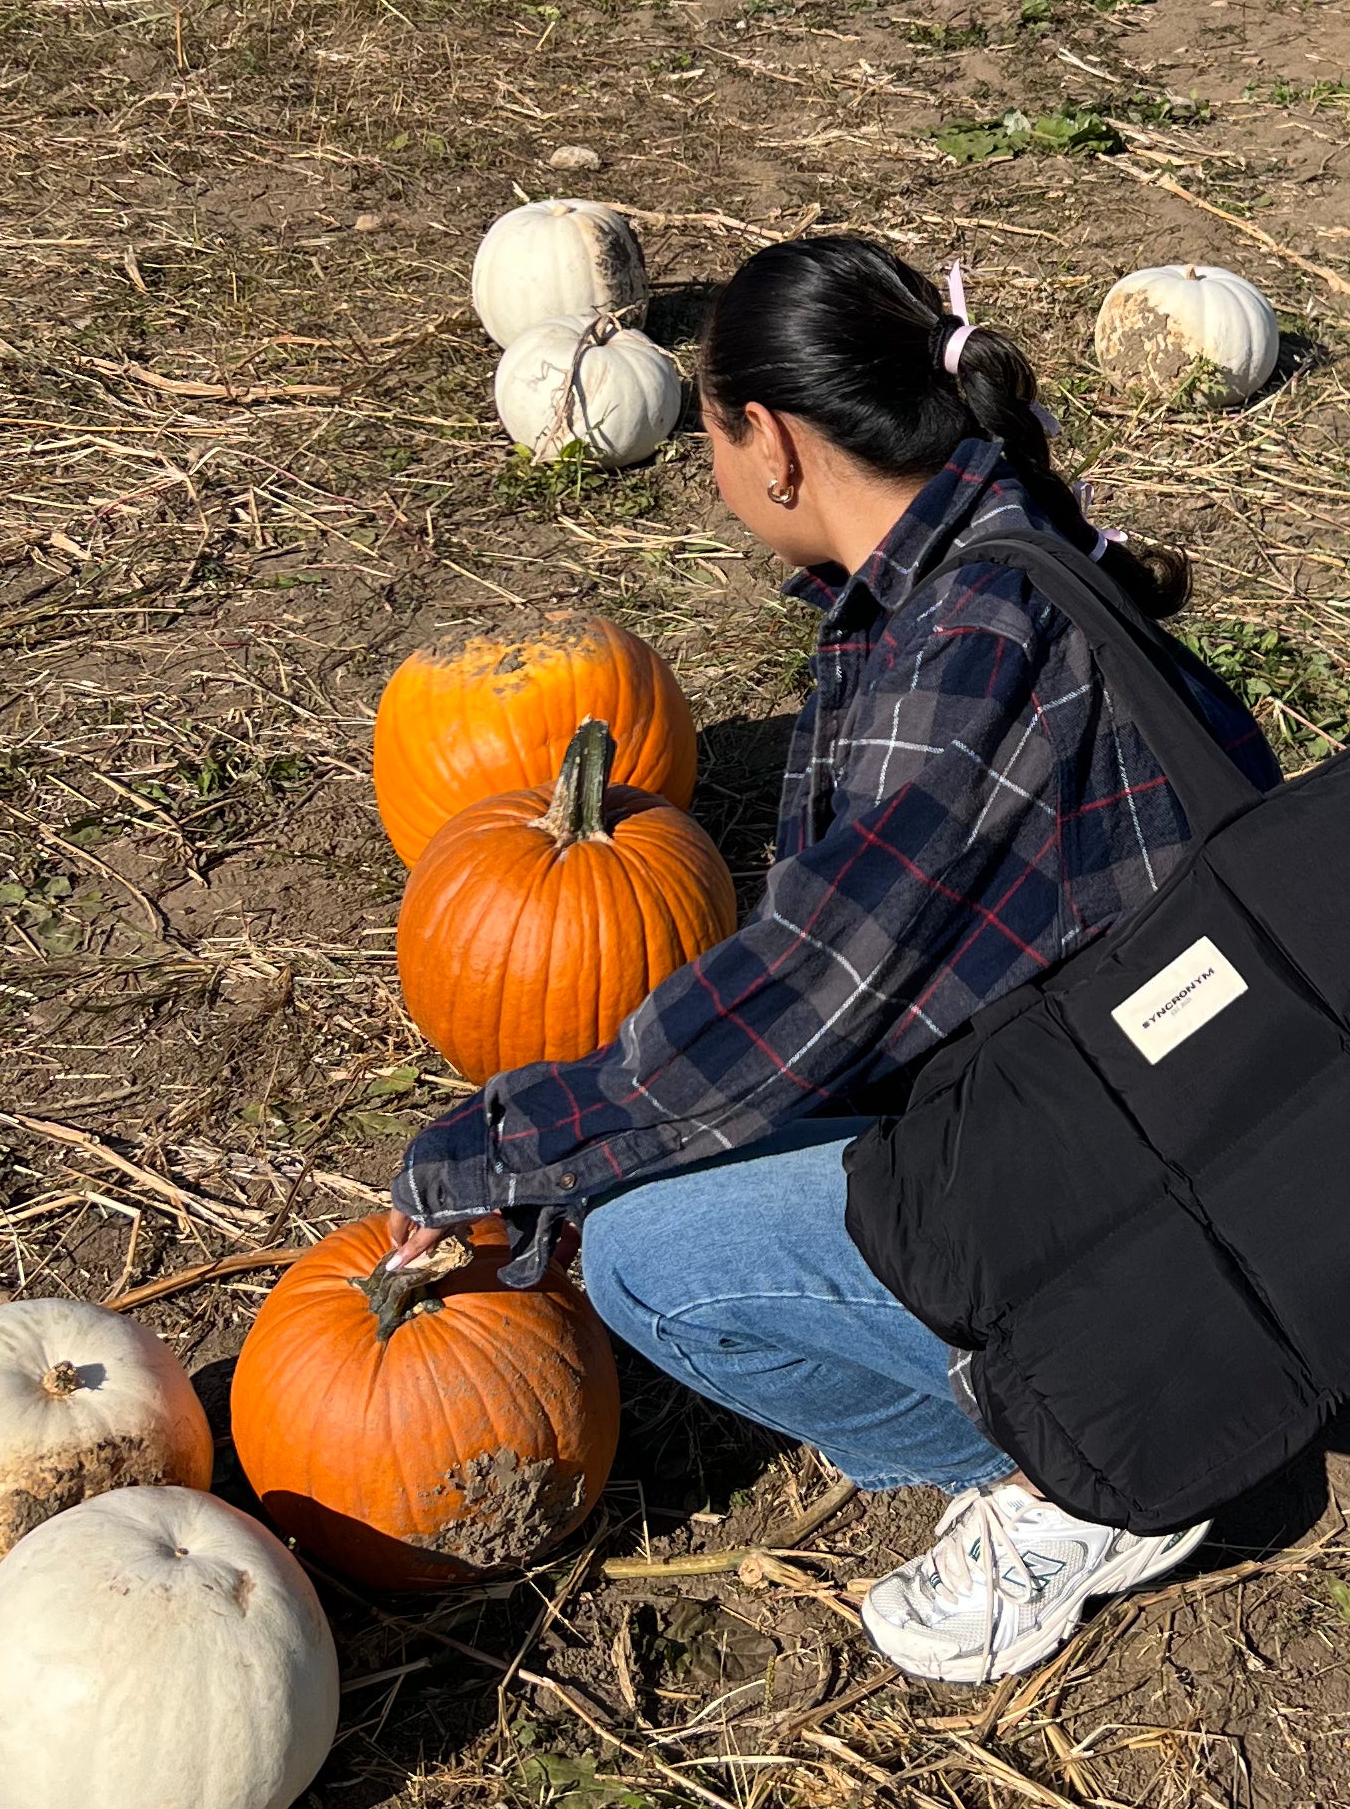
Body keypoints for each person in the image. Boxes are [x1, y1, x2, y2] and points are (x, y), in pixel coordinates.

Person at [386, 232, 1279, 1684]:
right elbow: (847, 991)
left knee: (647, 1264)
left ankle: (1081, 1465)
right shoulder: (997, 550)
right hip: (1159, 1089)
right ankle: (1085, 1383)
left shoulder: (962, 646)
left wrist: (504, 1149)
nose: (715, 480)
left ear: (779, 447)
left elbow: (804, 1007)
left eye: (716, 445)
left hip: (1159, 1188)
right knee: (676, 1160)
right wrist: (606, 1129)